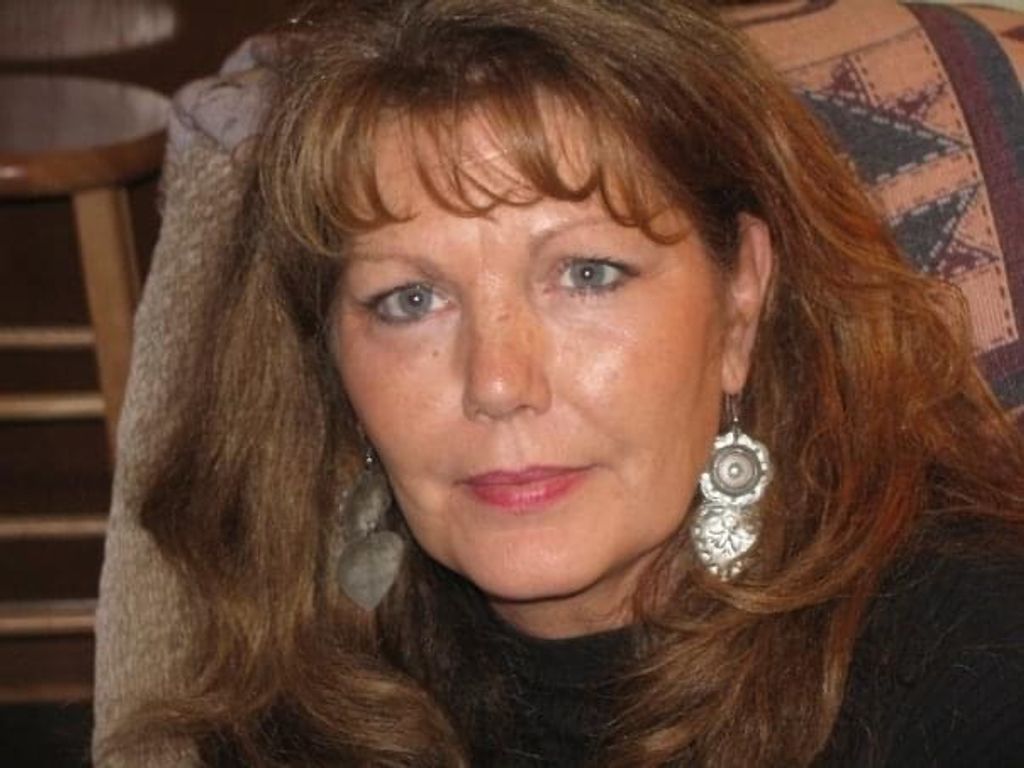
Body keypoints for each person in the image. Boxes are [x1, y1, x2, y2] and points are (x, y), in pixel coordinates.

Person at [96, 1, 1024, 765]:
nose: (499, 382)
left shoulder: (972, 667)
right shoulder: (298, 683)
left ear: (741, 302)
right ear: (329, 355)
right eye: (411, 299)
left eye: (587, 274)